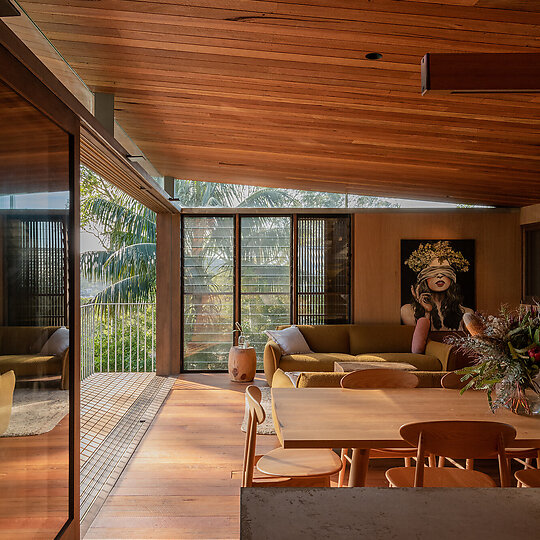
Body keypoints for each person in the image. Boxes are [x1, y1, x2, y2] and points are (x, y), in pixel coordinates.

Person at [400, 241, 473, 331]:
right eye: (433, 271)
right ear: (423, 278)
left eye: (445, 271)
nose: (439, 275)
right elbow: (418, 342)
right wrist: (427, 312)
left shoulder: (467, 313)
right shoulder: (407, 311)